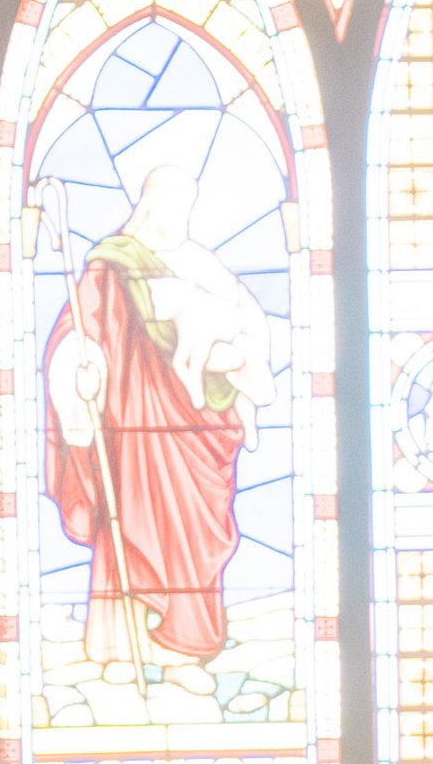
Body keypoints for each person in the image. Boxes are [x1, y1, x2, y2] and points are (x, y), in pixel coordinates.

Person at [43, 167, 270, 670]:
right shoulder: (112, 265)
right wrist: (80, 370)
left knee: (196, 529)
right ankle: (125, 649)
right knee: (130, 522)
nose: (181, 217)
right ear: (149, 205)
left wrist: (244, 366)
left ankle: (184, 653)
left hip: (198, 428)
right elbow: (79, 329)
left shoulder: (201, 264)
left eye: (188, 206)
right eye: (173, 205)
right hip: (134, 430)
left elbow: (248, 326)